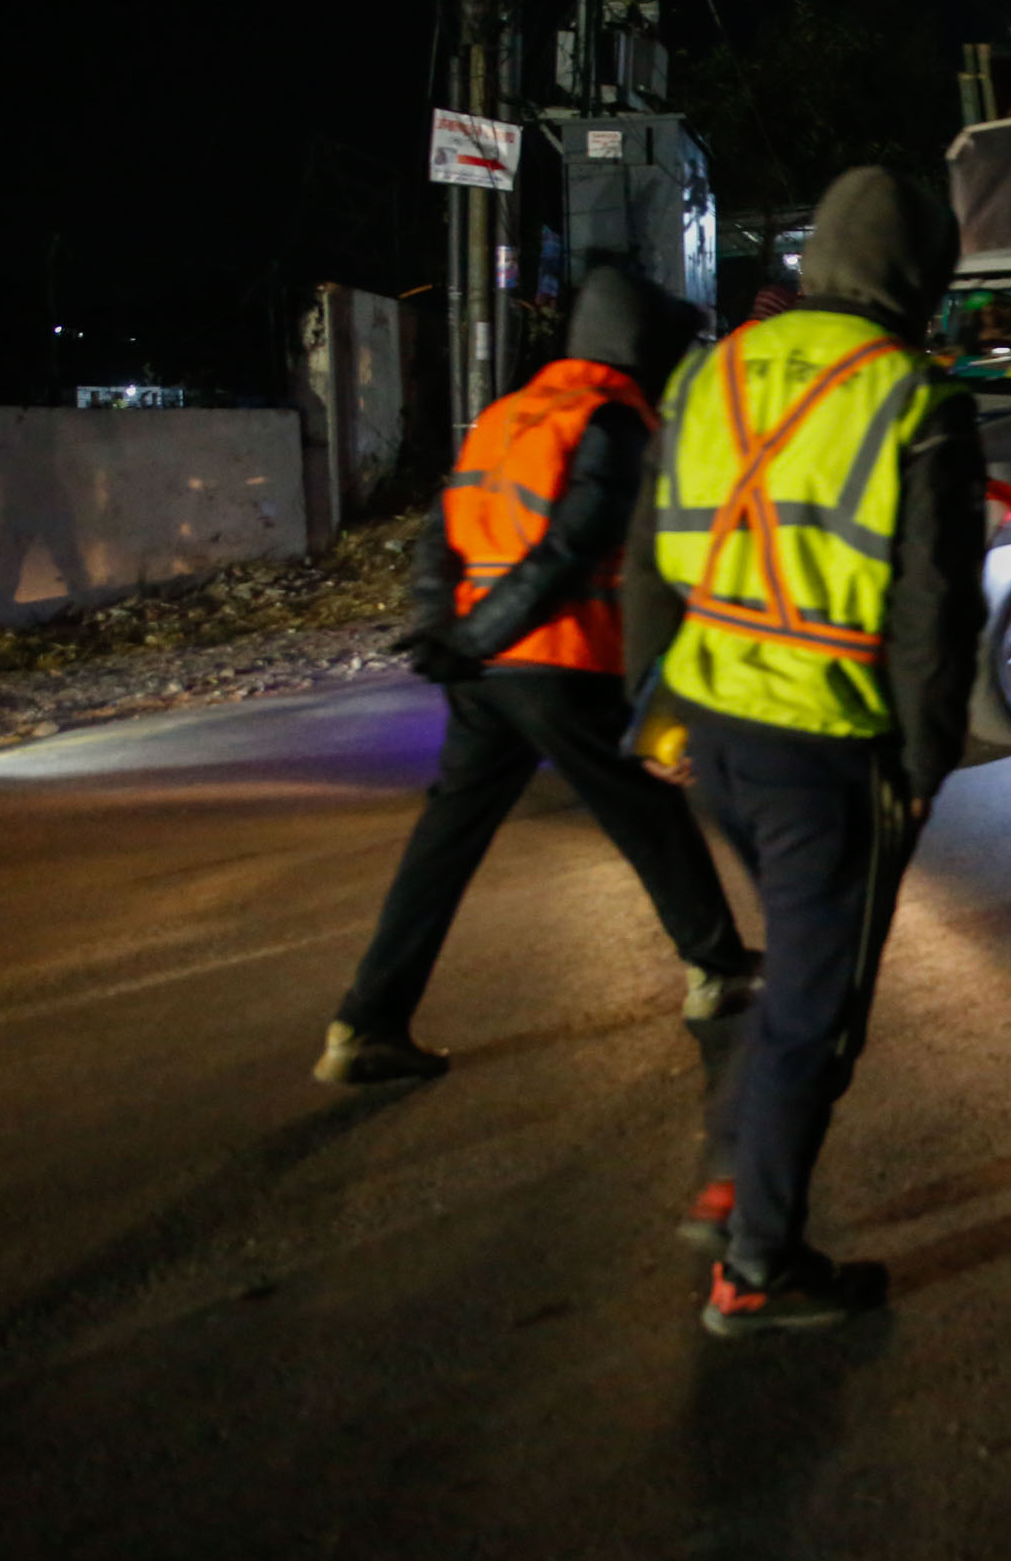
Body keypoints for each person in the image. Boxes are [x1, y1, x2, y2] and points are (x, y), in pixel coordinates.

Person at [623, 167, 987, 1336]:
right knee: (818, 1014)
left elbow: (645, 559)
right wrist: (926, 770)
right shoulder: (916, 399)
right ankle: (757, 1266)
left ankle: (736, 1177)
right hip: (827, 750)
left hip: (711, 730)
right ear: (920, 280)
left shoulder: (710, 369)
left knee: (793, 987)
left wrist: (653, 712)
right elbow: (934, 610)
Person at [315, 265, 759, 1086]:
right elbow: (573, 547)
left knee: (443, 848)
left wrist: (450, 634)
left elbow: (438, 536)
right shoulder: (612, 423)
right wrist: (479, 634)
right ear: (641, 352)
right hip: (562, 656)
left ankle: (366, 1022)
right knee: (649, 814)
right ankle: (721, 967)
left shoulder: (505, 416)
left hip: (485, 674)